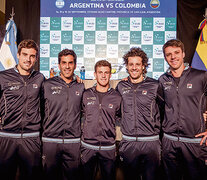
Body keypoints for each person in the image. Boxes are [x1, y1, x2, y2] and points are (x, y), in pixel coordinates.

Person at [159, 39, 207, 180]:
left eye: (176, 53)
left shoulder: (201, 76)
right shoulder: (162, 80)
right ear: (165, 58)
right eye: (169, 54)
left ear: (183, 54)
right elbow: (160, 107)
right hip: (169, 142)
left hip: (194, 142)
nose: (173, 57)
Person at [0, 39, 44, 180]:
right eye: (25, 55)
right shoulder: (3, 77)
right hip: (7, 137)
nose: (28, 59)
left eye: (32, 56)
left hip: (31, 138)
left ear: (36, 58)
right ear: (18, 55)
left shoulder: (40, 78)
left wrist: (75, 78)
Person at [116, 47, 162, 180]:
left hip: (151, 143)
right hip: (129, 143)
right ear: (127, 66)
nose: (134, 67)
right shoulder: (121, 86)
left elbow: (166, 109)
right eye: (131, 64)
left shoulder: (155, 85)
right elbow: (117, 111)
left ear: (143, 66)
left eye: (137, 64)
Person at [41, 49, 84, 180]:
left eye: (70, 63)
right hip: (50, 141)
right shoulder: (47, 85)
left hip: (73, 142)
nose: (67, 66)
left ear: (75, 65)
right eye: (64, 63)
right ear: (59, 65)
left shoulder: (81, 87)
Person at [81, 60, 122, 180]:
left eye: (106, 72)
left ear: (110, 75)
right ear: (95, 74)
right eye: (100, 72)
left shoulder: (117, 97)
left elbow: (120, 116)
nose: (103, 75)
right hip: (88, 146)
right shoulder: (86, 94)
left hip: (108, 148)